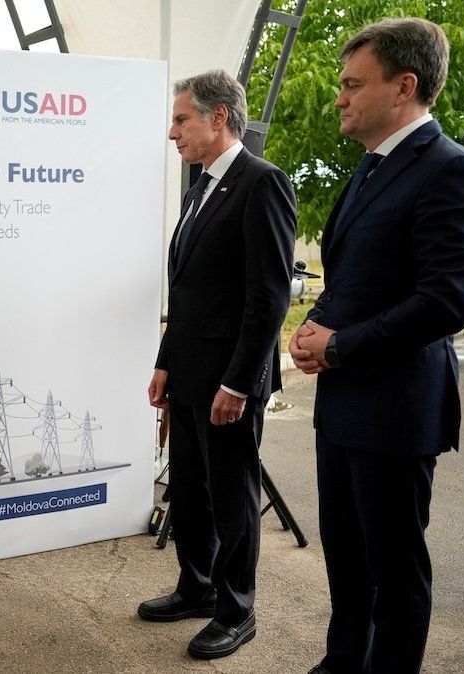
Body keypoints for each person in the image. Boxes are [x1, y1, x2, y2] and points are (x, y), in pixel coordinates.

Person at [289, 18, 464, 674]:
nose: (339, 99)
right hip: (343, 407)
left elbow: (447, 301)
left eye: (353, 85)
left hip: (395, 413)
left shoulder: (453, 171)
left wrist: (341, 345)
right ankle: (341, 662)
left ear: (404, 86)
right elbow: (354, 279)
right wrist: (314, 327)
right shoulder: (369, 171)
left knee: (394, 574)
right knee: (346, 561)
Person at [140, 70, 296, 659]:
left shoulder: (262, 184)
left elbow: (269, 299)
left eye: (181, 119)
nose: (172, 132)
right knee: (190, 489)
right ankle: (197, 588)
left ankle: (236, 609)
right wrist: (166, 362)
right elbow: (187, 292)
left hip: (230, 379)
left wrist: (238, 380)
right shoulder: (199, 188)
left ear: (219, 117)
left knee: (232, 496)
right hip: (188, 373)